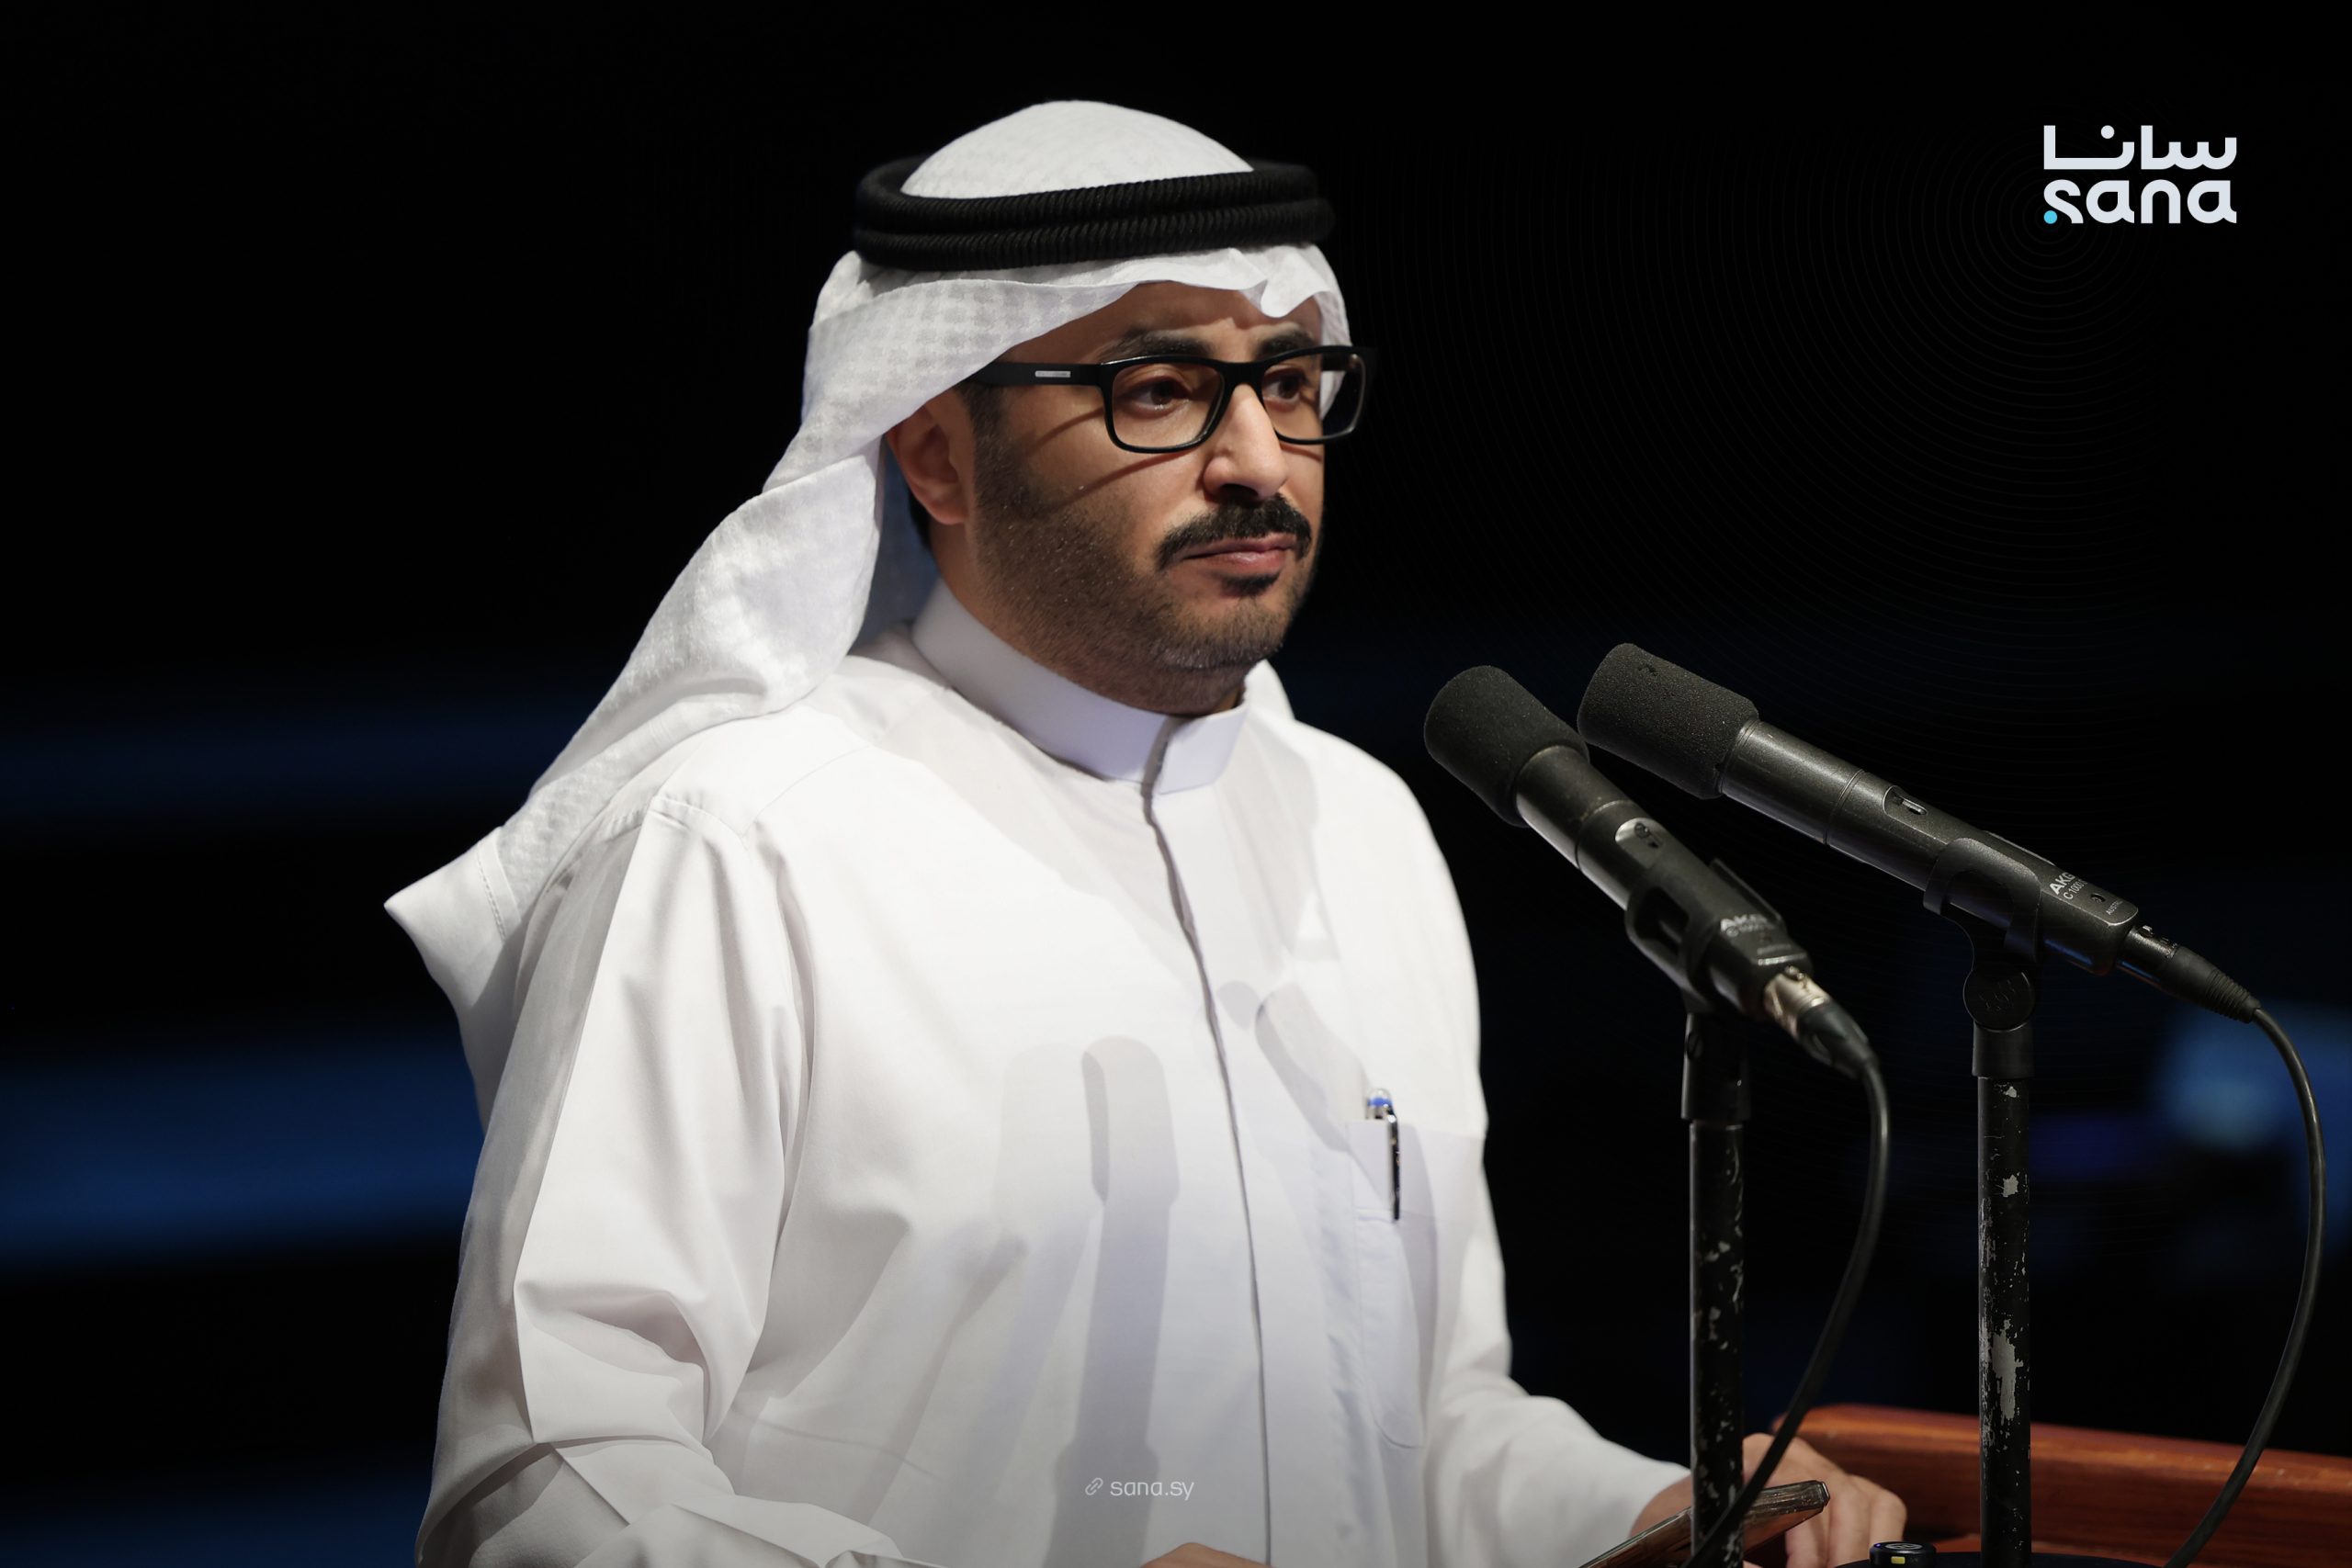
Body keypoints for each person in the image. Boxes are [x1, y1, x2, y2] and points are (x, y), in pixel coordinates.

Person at [389, 101, 1905, 1568]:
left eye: (1291, 383)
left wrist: (1661, 1515)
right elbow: (548, 1482)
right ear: (936, 454)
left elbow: (1426, 1429)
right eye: (1162, 391)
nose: (1259, 460)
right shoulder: (739, 842)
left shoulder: (1361, 827)